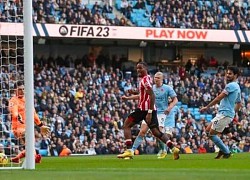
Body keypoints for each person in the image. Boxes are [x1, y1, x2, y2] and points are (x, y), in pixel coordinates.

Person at [117, 62, 180, 160]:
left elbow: (152, 95)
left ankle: (129, 151)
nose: (138, 70)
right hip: (151, 110)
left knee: (126, 125)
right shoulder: (147, 80)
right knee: (156, 132)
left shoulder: (147, 81)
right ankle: (173, 148)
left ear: (145, 68)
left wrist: (150, 112)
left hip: (146, 110)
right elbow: (143, 94)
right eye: (137, 68)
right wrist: (129, 97)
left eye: (140, 68)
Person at [200, 66, 242, 159]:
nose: (227, 75)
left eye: (230, 73)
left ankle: (226, 151)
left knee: (211, 134)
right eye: (227, 73)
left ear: (235, 75)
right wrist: (233, 113)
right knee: (208, 131)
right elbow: (239, 103)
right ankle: (223, 150)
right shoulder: (237, 87)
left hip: (224, 114)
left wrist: (207, 107)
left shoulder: (231, 85)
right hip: (224, 114)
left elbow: (219, 97)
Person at [9, 82, 50, 163]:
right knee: (28, 139)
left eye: (23, 89)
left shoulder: (27, 100)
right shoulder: (13, 100)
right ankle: (35, 158)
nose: (22, 91)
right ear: (15, 90)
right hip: (18, 127)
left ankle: (17, 158)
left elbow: (33, 114)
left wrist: (41, 125)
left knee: (30, 145)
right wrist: (18, 116)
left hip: (28, 127)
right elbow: (14, 112)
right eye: (20, 89)